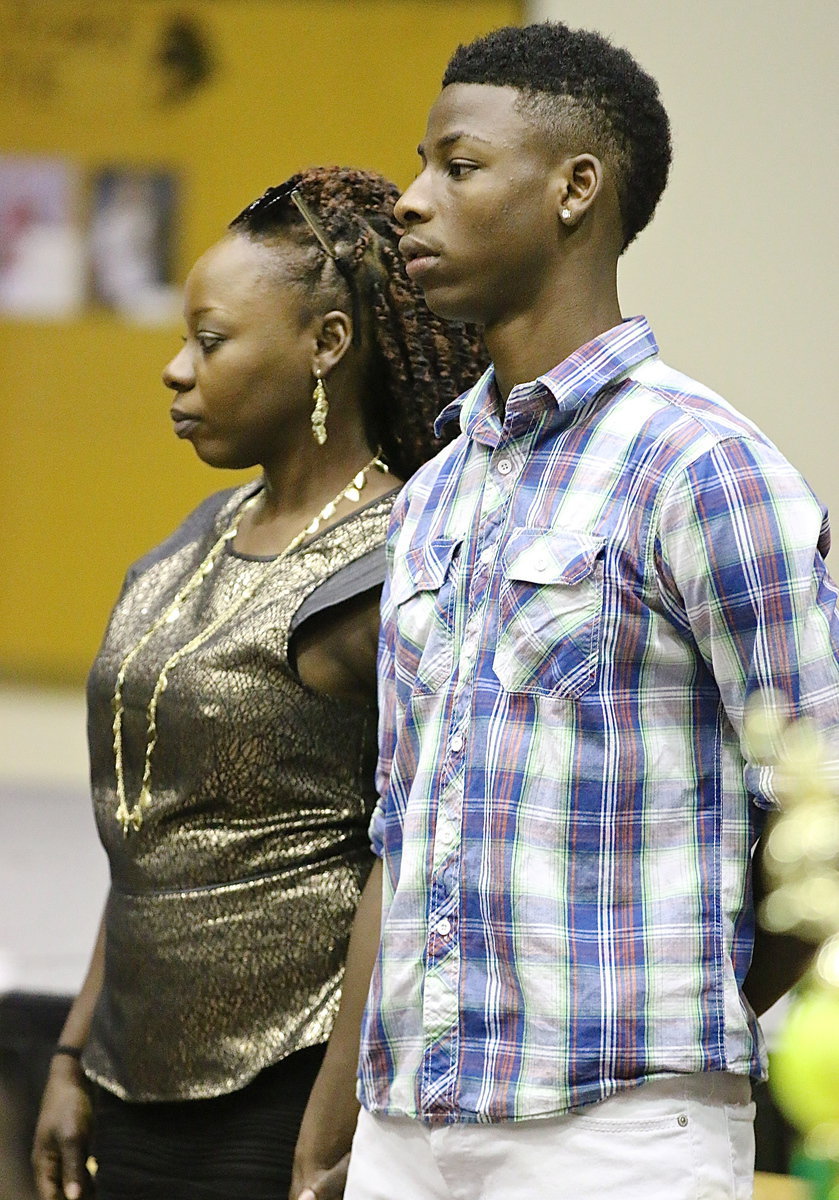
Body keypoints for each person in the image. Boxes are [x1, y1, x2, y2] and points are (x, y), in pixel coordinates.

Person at [291, 22, 839, 1200]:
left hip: (617, 1132)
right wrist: (339, 1120)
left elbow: (820, 806)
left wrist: (674, 1001)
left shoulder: (700, 466)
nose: (411, 201)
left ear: (573, 189)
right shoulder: (435, 491)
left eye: (457, 165)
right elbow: (404, 824)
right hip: (407, 1123)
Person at [30, 165, 485, 1200]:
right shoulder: (197, 536)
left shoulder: (400, 559)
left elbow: (405, 862)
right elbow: (159, 823)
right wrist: (69, 1053)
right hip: (125, 1081)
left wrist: (335, 1129)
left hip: (282, 1104)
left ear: (326, 345)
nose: (174, 371)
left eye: (212, 340)